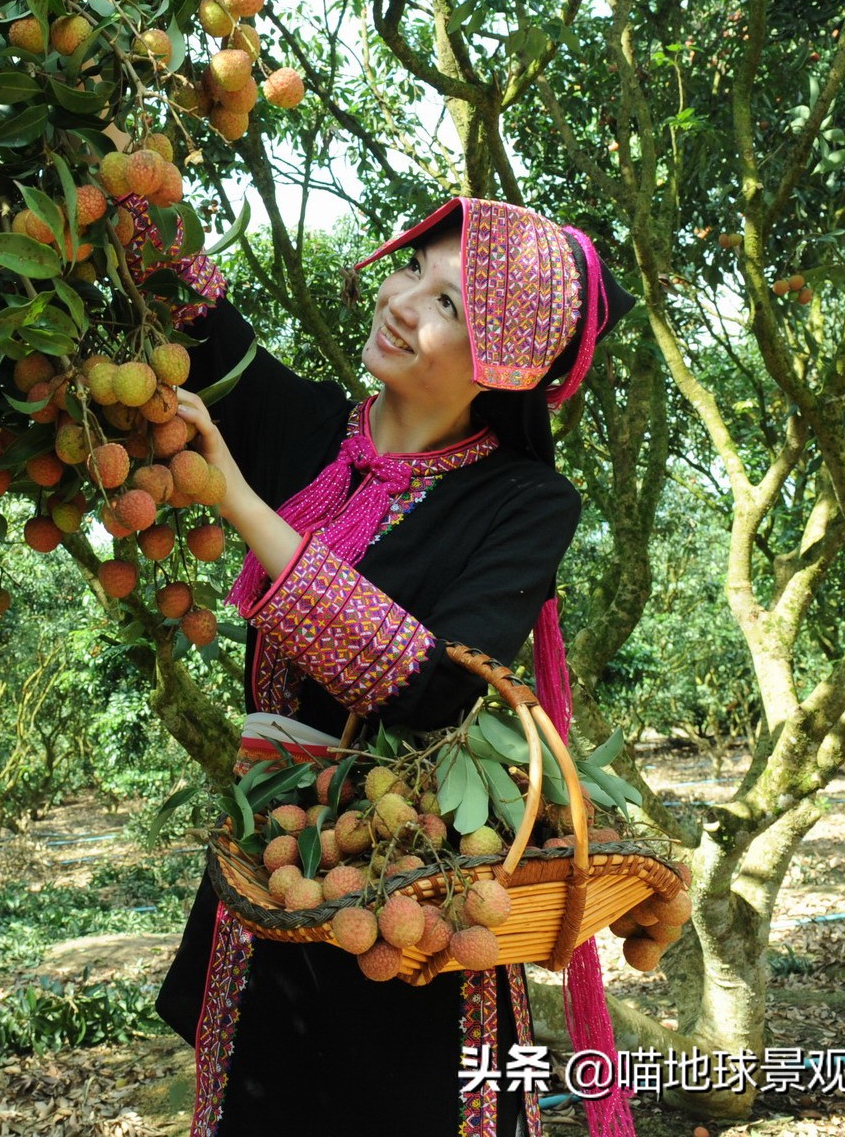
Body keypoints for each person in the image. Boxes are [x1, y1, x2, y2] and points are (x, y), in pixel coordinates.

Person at [125, 194, 641, 1137]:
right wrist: (113, 156)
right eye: (412, 271)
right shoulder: (314, 431)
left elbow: (433, 685)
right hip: (273, 879)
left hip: (415, 894)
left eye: (451, 305)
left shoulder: (524, 501)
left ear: (505, 367)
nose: (405, 302)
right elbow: (188, 307)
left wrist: (239, 501)